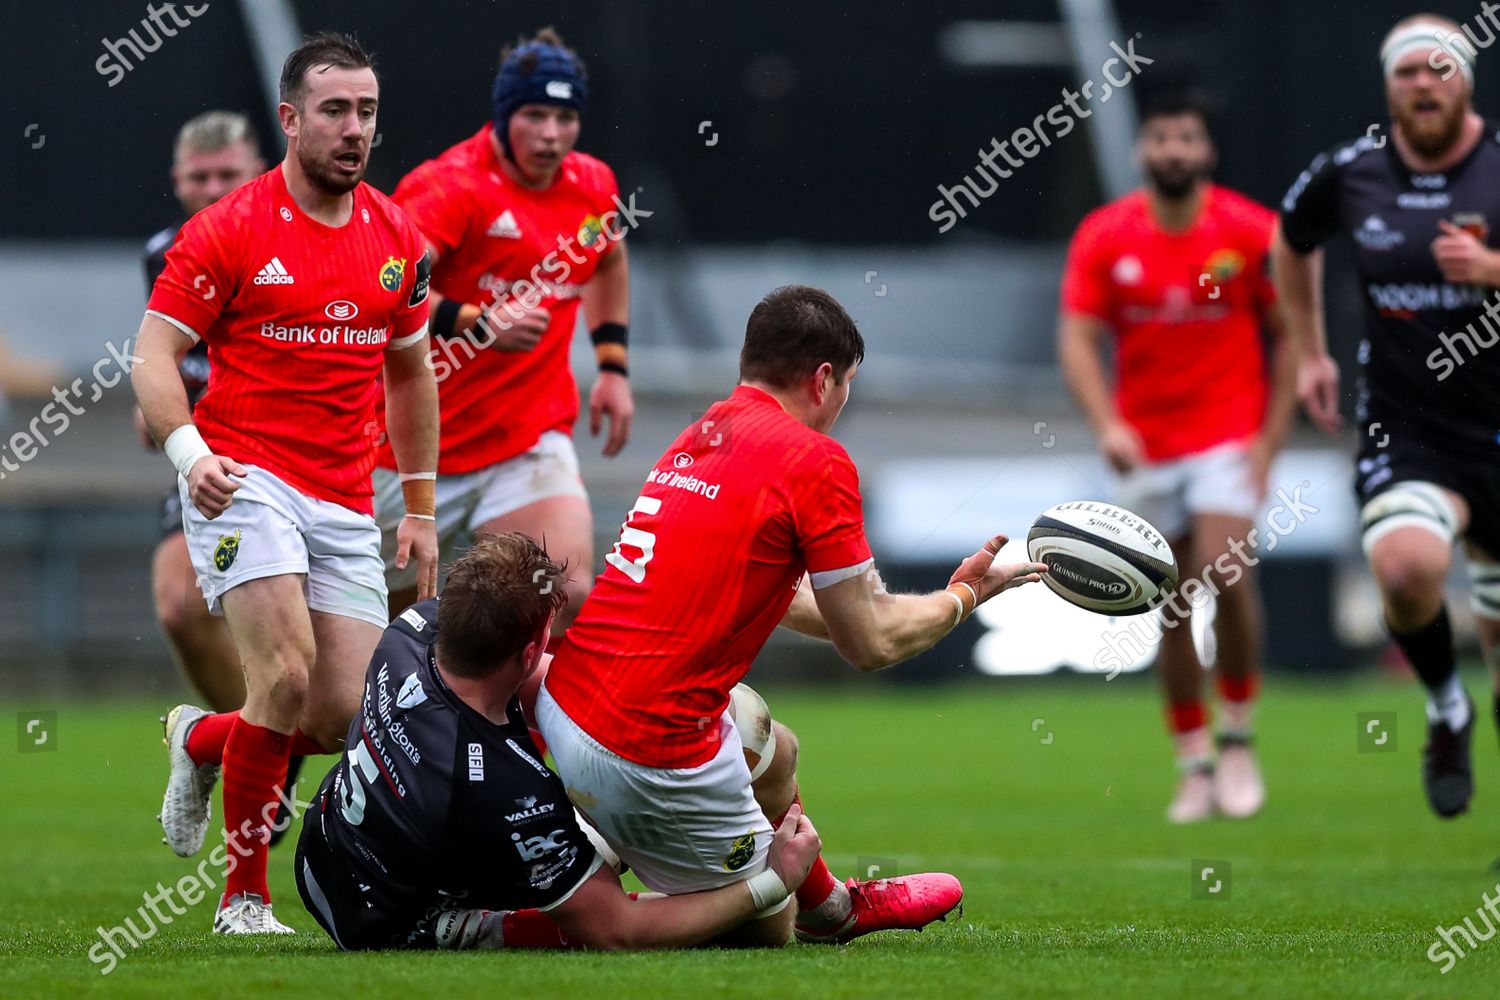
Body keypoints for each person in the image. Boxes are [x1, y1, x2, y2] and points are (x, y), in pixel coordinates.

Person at [538, 284, 1048, 946]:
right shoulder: (814, 458)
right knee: (761, 929)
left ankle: (830, 907)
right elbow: (867, 643)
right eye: (847, 388)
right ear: (824, 378)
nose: (841, 407)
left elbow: (797, 600)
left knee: (772, 747)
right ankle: (509, 923)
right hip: (644, 756)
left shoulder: (703, 433)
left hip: (565, 711)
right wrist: (965, 599)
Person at [133, 32, 440, 934]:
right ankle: (243, 901)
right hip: (245, 478)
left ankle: (199, 738)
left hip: (346, 495)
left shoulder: (395, 235)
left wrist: (418, 507)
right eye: (336, 111)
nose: (355, 130)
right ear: (291, 120)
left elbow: (412, 373)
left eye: (369, 112)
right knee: (284, 673)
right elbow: (153, 355)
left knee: (343, 714)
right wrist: (192, 456)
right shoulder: (229, 227)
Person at [296, 532, 820, 950]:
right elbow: (619, 928)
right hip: (383, 917)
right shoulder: (504, 791)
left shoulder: (412, 630)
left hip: (325, 851)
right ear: (528, 651)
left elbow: (553, 686)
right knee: (761, 927)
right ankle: (469, 925)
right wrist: (771, 883)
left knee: (744, 740)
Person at [1275, 14, 1500, 820]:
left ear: (1466, 80)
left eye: (1439, 69)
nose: (1423, 83)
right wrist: (1312, 352)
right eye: (1407, 72)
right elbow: (1291, 238)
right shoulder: (1353, 170)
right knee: (1405, 570)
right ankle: (1445, 706)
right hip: (1409, 431)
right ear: (1389, 84)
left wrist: (1492, 269)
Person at [1057, 91, 1293, 823]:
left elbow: (1292, 333)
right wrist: (1107, 425)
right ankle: (1193, 765)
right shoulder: (1105, 235)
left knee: (1227, 572)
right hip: (1147, 447)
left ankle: (1241, 738)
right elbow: (1076, 338)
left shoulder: (1252, 232)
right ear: (1142, 151)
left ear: (1207, 151)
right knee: (1170, 605)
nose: (1173, 149)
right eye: (1160, 137)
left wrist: (1269, 440)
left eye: (1186, 137)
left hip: (1227, 435)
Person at [371, 26, 633, 625]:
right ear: (503, 116)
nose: (550, 134)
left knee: (561, 594)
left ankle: (518, 723)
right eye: (534, 114)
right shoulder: (450, 187)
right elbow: (385, 287)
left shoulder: (593, 186)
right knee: (375, 629)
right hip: (413, 452)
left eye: (565, 117)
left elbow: (609, 259)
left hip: (527, 440)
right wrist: (476, 322)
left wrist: (613, 368)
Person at [140, 110, 263, 715]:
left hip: (296, 457)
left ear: (260, 171)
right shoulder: (162, 255)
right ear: (176, 180)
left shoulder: (292, 244)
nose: (213, 190)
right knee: (179, 606)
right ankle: (255, 741)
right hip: (204, 456)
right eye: (199, 177)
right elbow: (163, 352)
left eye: (227, 174)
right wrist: (159, 406)